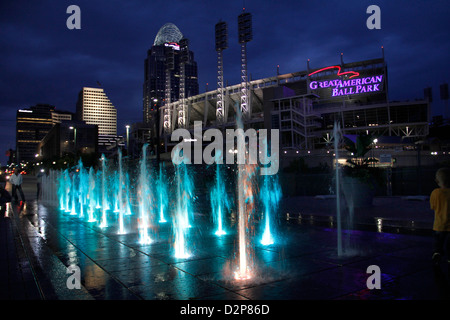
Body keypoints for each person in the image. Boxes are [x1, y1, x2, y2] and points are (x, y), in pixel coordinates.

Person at [430, 167, 450, 265]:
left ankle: (437, 253)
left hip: (439, 224)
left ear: (437, 180)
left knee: (438, 241)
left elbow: (433, 206)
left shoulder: (435, 193)